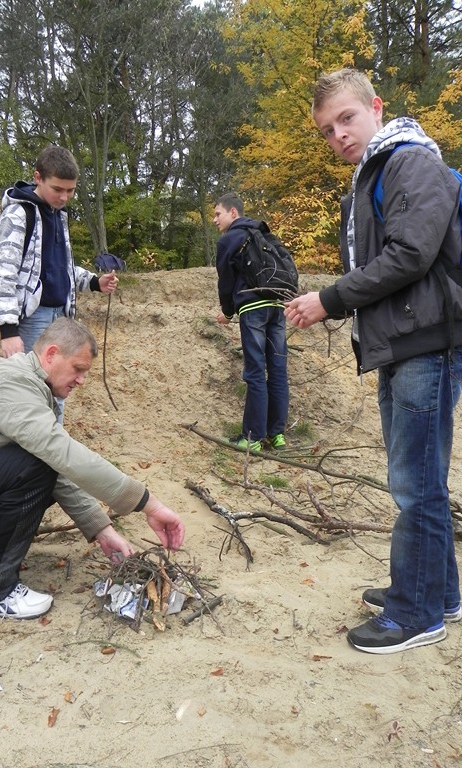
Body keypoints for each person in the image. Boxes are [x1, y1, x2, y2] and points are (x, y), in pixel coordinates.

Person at [284, 68, 462, 654]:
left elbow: (410, 254)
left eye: (347, 118)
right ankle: (438, 593)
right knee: (420, 478)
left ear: (376, 107)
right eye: (327, 129)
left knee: (415, 484)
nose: (338, 135)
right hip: (403, 343)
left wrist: (330, 299)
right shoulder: (374, 174)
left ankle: (415, 614)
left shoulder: (410, 161)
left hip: (426, 343)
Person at [0, 318, 185, 620]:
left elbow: (58, 469)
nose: (81, 380)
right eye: (78, 369)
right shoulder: (11, 383)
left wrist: (101, 530)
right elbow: (60, 456)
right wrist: (150, 505)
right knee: (34, 465)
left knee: (36, 463)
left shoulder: (26, 384)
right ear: (52, 354)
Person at [0, 144, 118, 417]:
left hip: (61, 317)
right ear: (38, 177)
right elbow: (2, 273)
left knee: (57, 390)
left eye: (71, 191)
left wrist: (94, 282)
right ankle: (37, 443)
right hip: (33, 318)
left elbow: (59, 268)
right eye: (58, 189)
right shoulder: (19, 214)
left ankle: (51, 442)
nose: (64, 197)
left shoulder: (57, 215)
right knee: (33, 392)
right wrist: (8, 331)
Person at [213, 192, 289, 452]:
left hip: (253, 307)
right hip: (277, 305)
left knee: (255, 371)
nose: (215, 220)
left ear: (233, 212)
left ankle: (253, 438)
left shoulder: (229, 240)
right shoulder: (264, 233)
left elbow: (225, 282)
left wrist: (228, 312)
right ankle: (276, 435)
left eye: (218, 214)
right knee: (277, 370)